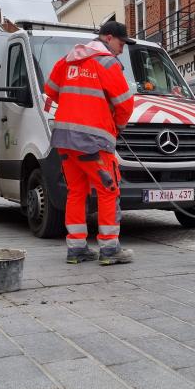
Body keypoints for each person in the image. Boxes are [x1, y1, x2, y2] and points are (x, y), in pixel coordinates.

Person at [45, 20, 136, 265]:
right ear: (108, 38)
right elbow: (126, 104)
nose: (122, 49)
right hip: (94, 140)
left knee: (76, 191)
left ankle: (76, 248)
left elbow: (50, 90)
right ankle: (109, 249)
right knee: (108, 190)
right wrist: (116, 126)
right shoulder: (107, 63)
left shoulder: (67, 61)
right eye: (121, 43)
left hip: (64, 139)